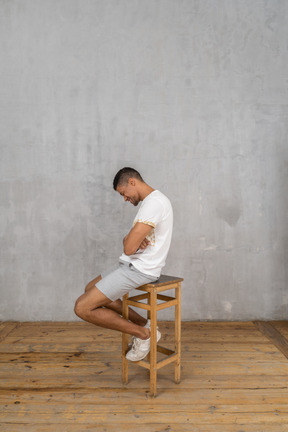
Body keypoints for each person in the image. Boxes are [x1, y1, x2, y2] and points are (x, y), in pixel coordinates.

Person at [74, 167, 173, 361]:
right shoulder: (149, 203)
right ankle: (147, 325)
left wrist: (130, 241)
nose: (125, 199)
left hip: (140, 269)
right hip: (130, 264)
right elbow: (128, 244)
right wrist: (130, 240)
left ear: (132, 182)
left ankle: (143, 335)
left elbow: (128, 247)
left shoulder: (155, 203)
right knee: (90, 288)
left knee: (82, 308)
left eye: (124, 194)